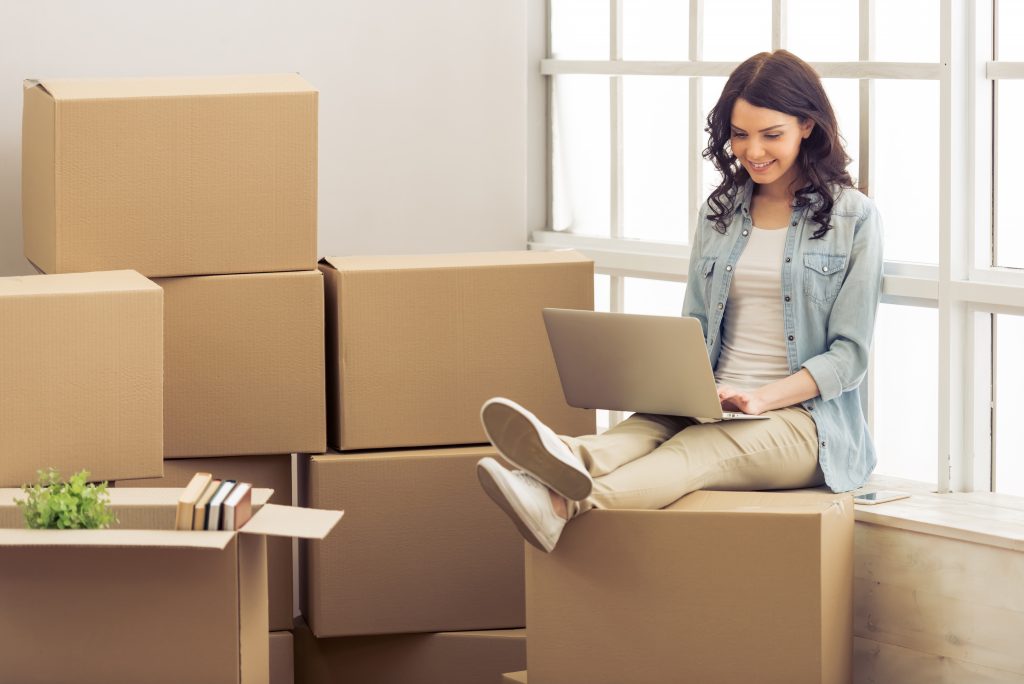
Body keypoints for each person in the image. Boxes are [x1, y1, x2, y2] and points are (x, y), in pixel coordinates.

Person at [476, 50, 884, 553]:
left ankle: (561, 505)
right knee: (641, 430)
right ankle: (563, 455)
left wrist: (760, 397)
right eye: (739, 134)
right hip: (711, 398)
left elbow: (850, 357)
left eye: (770, 134)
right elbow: (694, 322)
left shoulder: (853, 217)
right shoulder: (720, 212)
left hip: (805, 423)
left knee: (695, 450)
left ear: (807, 125)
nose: (752, 151)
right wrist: (682, 385)